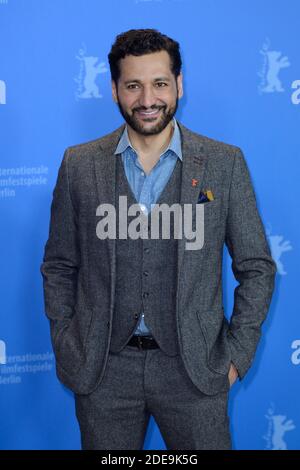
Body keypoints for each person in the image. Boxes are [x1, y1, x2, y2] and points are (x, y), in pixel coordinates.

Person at [40, 28, 276, 450]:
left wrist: (236, 355)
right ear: (114, 90)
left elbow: (256, 267)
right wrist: (66, 340)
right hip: (103, 372)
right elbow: (59, 264)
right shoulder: (78, 165)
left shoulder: (225, 163)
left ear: (179, 85)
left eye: (160, 84)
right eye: (133, 85)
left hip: (195, 371)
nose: (147, 99)